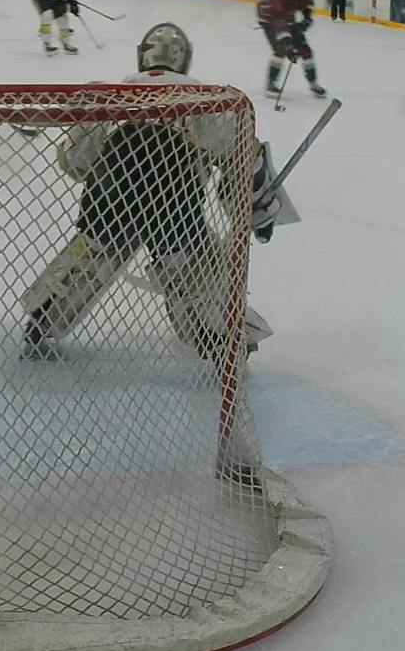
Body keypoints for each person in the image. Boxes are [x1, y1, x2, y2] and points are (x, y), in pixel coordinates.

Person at [19, 21, 285, 390]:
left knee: (95, 252)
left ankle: (44, 317)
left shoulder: (110, 94)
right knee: (190, 272)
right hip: (175, 203)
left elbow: (77, 161)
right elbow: (243, 160)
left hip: (110, 198)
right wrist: (260, 211)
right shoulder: (212, 100)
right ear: (186, 60)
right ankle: (218, 333)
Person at [256, 0, 325, 101]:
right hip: (269, 19)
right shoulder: (279, 0)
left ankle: (313, 83)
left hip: (287, 18)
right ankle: (271, 83)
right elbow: (280, 25)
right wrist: (288, 47)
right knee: (280, 50)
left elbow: (307, 6)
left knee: (305, 50)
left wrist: (306, 20)